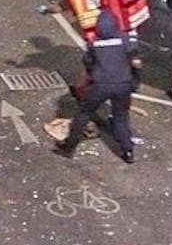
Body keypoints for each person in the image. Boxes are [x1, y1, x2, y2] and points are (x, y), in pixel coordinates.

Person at [53, 12, 139, 164]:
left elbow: (88, 63)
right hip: (123, 84)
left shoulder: (95, 44)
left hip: (101, 85)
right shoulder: (124, 40)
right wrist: (134, 82)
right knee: (121, 117)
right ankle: (128, 150)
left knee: (84, 113)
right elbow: (134, 59)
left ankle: (69, 147)